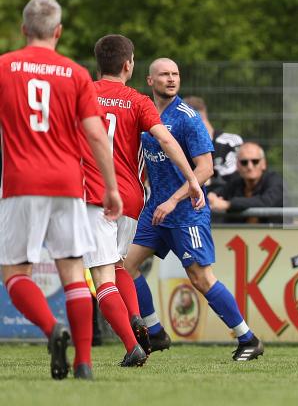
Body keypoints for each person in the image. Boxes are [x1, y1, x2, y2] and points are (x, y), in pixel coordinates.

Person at [0, 0, 123, 380]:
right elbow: (96, 136)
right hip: (69, 185)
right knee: (73, 271)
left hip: (21, 183)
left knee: (15, 272)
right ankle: (84, 363)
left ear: (23, 29)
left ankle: (53, 330)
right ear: (58, 32)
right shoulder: (75, 74)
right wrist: (112, 188)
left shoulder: (4, 67)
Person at [123, 58, 264, 361]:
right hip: (156, 208)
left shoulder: (188, 118)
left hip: (186, 210)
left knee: (200, 278)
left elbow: (206, 169)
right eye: (164, 74)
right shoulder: (145, 112)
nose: (171, 79)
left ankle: (248, 339)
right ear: (150, 81)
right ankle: (155, 332)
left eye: (175, 74)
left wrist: (173, 200)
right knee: (126, 267)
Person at [79, 34, 205, 366]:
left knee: (101, 274)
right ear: (128, 64)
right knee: (120, 264)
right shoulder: (138, 101)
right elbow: (164, 138)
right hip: (132, 198)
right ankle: (136, 315)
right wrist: (192, 179)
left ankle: (131, 344)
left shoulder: (82, 92)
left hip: (95, 194)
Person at [208, 142, 284, 224]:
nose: (249, 167)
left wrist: (229, 204)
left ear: (264, 164)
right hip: (239, 235)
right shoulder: (235, 182)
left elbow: (266, 201)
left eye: (255, 161)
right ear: (237, 165)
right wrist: (212, 196)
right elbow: (219, 193)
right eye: (244, 162)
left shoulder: (274, 180)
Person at [182, 96, 244, 195]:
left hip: (227, 202)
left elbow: (234, 177)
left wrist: (204, 178)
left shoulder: (231, 141)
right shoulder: (183, 146)